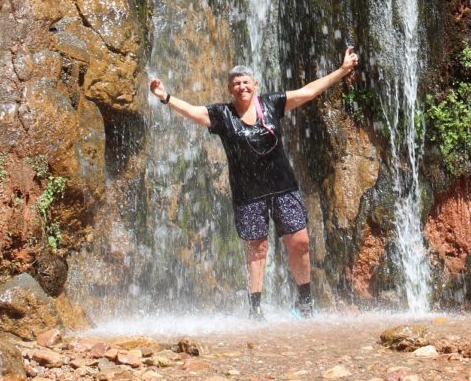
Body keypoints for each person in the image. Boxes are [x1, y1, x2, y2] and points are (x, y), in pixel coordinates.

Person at [149, 46, 359, 320]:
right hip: (249, 194)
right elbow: (191, 111)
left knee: (300, 243)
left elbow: (308, 91)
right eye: (236, 83)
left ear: (255, 85)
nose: (241, 86)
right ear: (230, 89)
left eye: (246, 81)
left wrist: (343, 71)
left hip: (284, 187)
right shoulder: (222, 116)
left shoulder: (272, 104)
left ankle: (305, 303)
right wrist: (165, 97)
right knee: (257, 249)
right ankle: (255, 309)